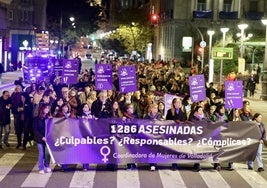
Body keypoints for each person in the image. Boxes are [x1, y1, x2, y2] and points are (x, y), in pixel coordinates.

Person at [166, 97, 187, 170]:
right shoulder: (169, 111)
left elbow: (185, 120)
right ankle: (174, 163)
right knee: (174, 148)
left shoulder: (183, 111)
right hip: (173, 132)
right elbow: (167, 121)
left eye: (179, 102)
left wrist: (181, 122)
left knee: (180, 148)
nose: (178, 104)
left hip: (181, 132)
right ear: (174, 104)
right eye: (177, 102)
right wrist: (174, 121)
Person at [33, 104, 52, 174]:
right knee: (41, 153)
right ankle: (41, 167)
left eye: (48, 108)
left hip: (47, 139)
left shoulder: (49, 118)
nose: (47, 109)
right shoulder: (36, 119)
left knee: (47, 153)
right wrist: (42, 137)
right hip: (39, 139)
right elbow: (35, 130)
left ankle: (47, 165)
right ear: (42, 109)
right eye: (46, 108)